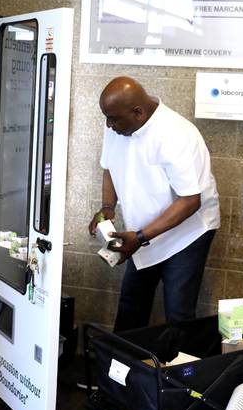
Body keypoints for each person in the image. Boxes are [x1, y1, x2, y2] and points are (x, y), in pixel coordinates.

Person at [88, 76, 220, 332]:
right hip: (144, 230)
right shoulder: (116, 123)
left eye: (113, 119)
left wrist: (139, 237)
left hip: (188, 232)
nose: (108, 125)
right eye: (106, 118)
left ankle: (179, 370)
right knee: (131, 302)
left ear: (137, 112)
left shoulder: (177, 135)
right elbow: (109, 166)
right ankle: (123, 366)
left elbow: (191, 200)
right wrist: (107, 208)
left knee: (178, 310)